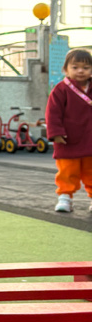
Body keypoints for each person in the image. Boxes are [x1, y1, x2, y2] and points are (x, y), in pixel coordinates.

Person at [45, 47, 92, 214]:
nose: (80, 71)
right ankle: (65, 196)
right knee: (67, 170)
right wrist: (56, 133)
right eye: (75, 67)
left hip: (90, 138)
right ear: (66, 69)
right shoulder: (60, 89)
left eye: (86, 67)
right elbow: (53, 113)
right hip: (68, 139)